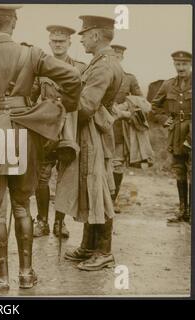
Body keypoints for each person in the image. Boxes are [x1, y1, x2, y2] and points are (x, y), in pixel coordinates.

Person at [0, 4, 81, 295]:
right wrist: (61, 107)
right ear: (14, 23)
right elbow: (73, 78)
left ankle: (0, 279)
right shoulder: (32, 54)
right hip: (25, 133)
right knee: (22, 206)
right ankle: (26, 274)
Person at [62, 15, 124, 271]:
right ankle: (89, 245)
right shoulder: (101, 62)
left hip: (92, 133)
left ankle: (104, 251)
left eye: (85, 34)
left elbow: (86, 106)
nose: (82, 38)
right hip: (93, 132)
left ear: (96, 35)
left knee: (98, 189)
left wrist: (61, 103)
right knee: (91, 187)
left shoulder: (102, 66)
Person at [31, 25, 86, 239]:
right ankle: (42, 221)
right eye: (54, 41)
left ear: (70, 43)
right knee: (42, 178)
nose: (58, 44)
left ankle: (60, 223)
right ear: (49, 43)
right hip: (46, 131)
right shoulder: (40, 68)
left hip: (70, 131)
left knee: (66, 178)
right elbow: (32, 95)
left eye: (62, 41)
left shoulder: (80, 68)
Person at [152, 51, 192, 224]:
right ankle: (183, 211)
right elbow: (155, 106)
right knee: (180, 170)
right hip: (176, 132)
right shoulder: (168, 85)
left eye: (184, 64)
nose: (181, 67)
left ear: (190, 64)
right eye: (178, 64)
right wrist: (164, 119)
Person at [111, 44, 144, 213]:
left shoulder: (129, 78)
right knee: (98, 165)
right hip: (98, 126)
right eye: (113, 55)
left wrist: (124, 106)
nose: (115, 59)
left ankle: (111, 200)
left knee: (116, 165)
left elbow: (141, 102)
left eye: (118, 56)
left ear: (122, 58)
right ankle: (98, 200)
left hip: (118, 129)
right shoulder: (99, 74)